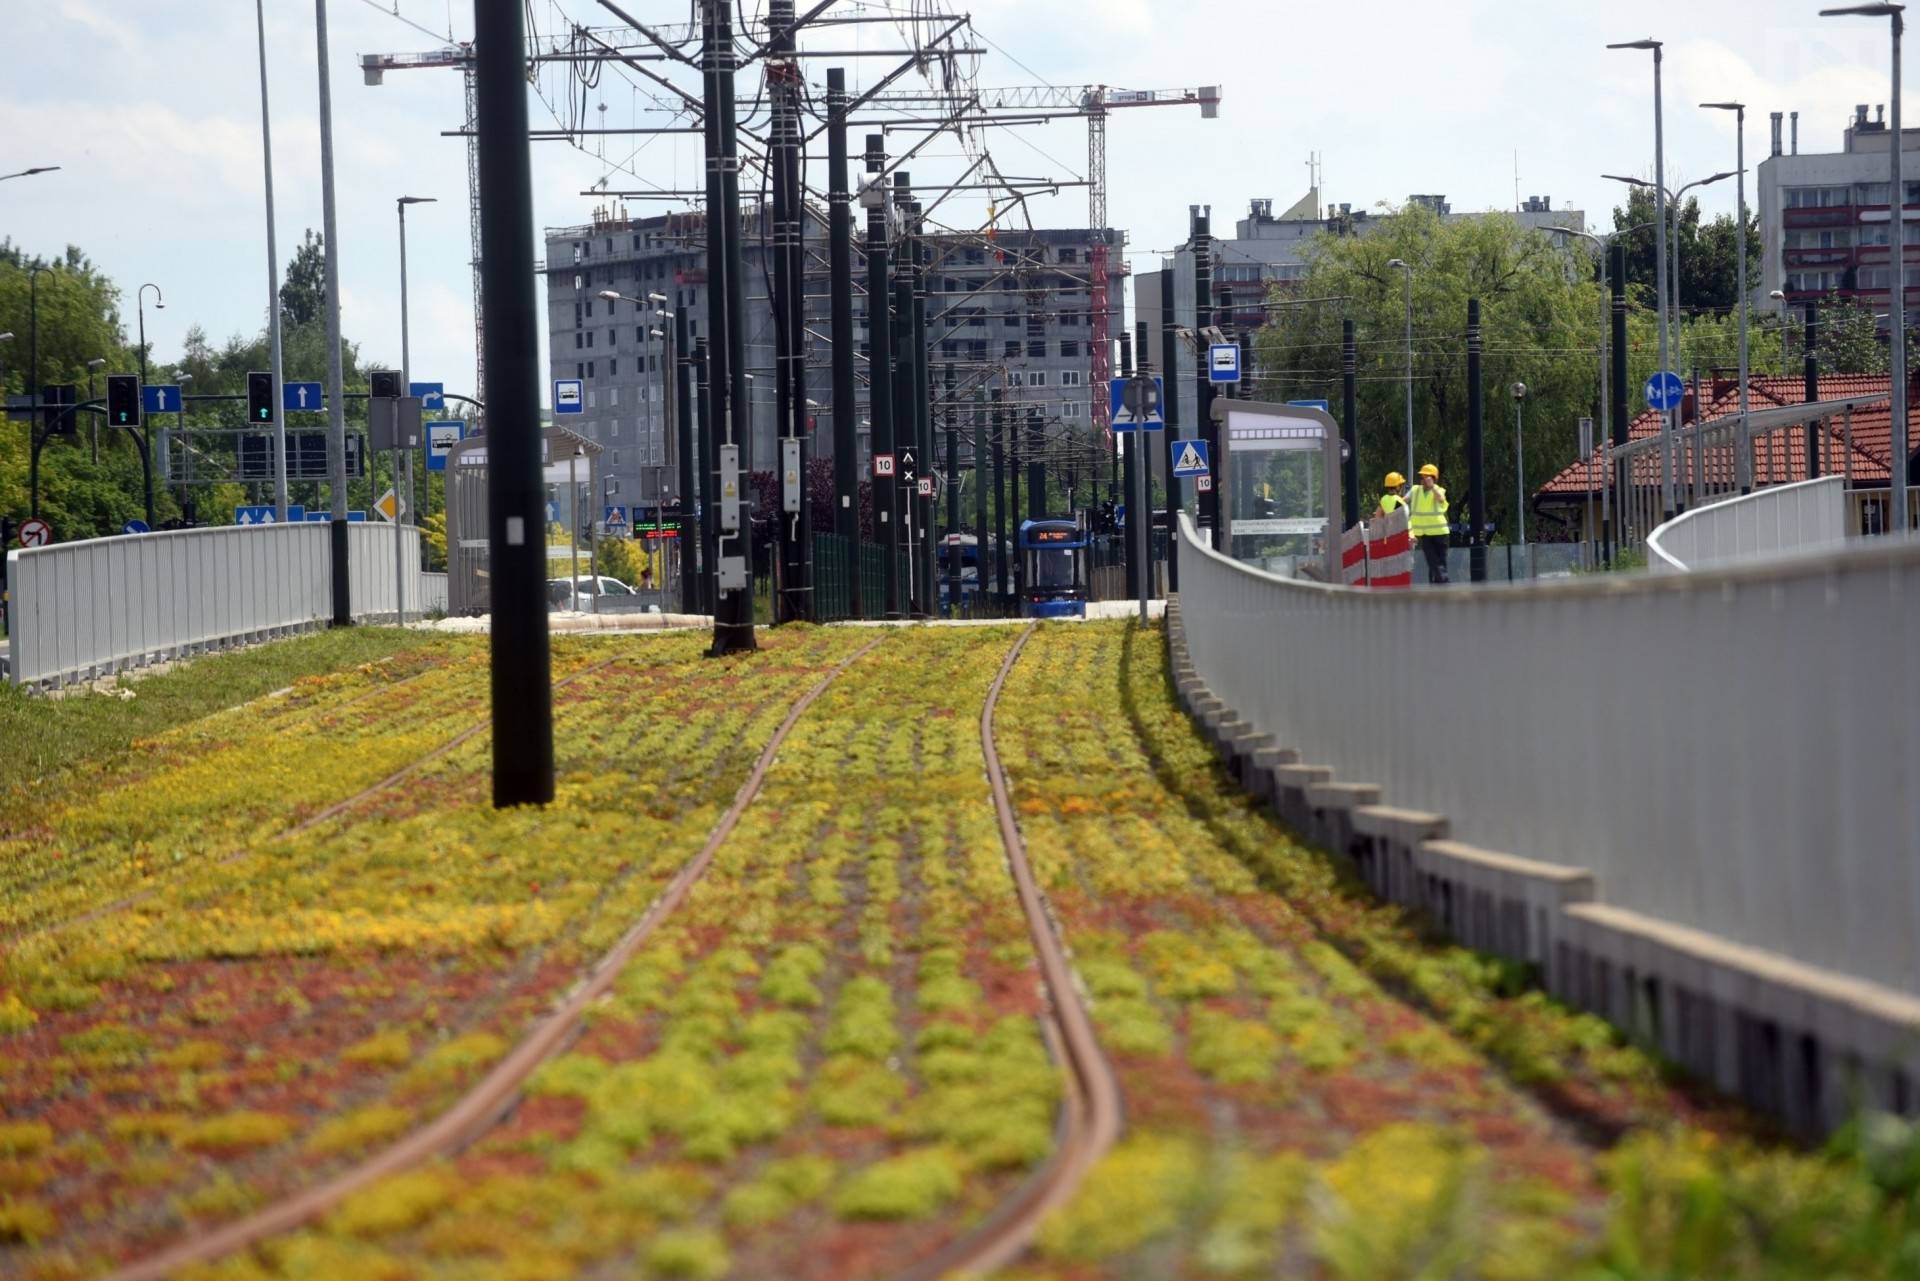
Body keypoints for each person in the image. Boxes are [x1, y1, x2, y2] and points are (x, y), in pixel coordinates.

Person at [1408, 463, 1450, 584]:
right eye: (1421, 477)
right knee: (1433, 563)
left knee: (1439, 564)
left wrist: (1432, 487)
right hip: (1425, 534)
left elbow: (1441, 500)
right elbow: (1403, 501)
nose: (1422, 480)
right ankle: (1441, 588)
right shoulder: (1415, 490)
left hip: (1440, 534)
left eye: (1425, 477)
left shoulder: (1438, 490)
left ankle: (1442, 588)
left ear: (1433, 478)